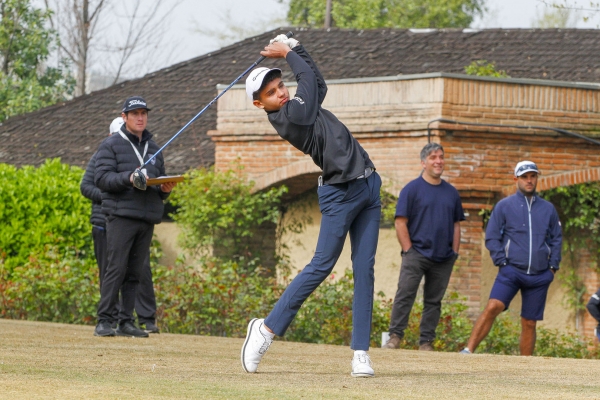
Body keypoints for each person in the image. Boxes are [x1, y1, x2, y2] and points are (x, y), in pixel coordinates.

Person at [240, 35, 381, 377]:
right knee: (321, 266)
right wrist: (289, 53)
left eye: (281, 86)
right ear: (260, 104)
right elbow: (305, 81)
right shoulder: (289, 117)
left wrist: (298, 47)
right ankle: (265, 330)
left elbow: (317, 84)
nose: (281, 93)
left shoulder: (303, 104)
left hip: (368, 186)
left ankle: (360, 353)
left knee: (364, 270)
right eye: (271, 92)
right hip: (339, 195)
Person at [93, 96, 176, 338]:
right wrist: (129, 178)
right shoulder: (110, 145)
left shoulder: (155, 148)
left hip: (146, 217)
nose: (140, 118)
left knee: (135, 272)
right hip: (120, 216)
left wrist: (164, 190)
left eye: (143, 113)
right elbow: (102, 179)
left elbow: (157, 185)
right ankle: (104, 320)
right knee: (116, 268)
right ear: (124, 117)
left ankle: (126, 322)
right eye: (135, 114)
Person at [460, 161, 562, 356]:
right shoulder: (504, 206)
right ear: (516, 179)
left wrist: (552, 268)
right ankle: (468, 350)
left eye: (532, 176)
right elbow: (492, 237)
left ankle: (524, 364)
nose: (529, 180)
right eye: (524, 177)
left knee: (529, 322)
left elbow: (556, 239)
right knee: (494, 306)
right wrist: (502, 262)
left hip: (540, 275)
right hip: (511, 271)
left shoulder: (548, 209)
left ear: (537, 178)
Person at [80, 117, 160, 334]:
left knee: (137, 271)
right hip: (105, 220)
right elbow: (88, 185)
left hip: (136, 217)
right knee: (112, 270)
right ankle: (108, 319)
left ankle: (134, 319)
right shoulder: (104, 151)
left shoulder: (147, 150)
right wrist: (113, 197)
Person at [382, 143, 464, 351]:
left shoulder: (451, 193)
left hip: (443, 257)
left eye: (441, 157)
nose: (438, 161)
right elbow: (400, 222)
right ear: (423, 162)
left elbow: (456, 224)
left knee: (434, 301)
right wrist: (408, 250)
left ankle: (426, 342)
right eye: (433, 157)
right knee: (405, 295)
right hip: (416, 254)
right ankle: (395, 337)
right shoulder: (411, 190)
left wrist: (454, 252)